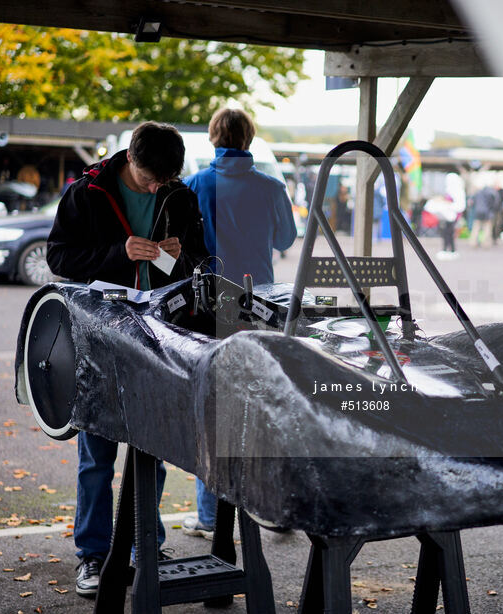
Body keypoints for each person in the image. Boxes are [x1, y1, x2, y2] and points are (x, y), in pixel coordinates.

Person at [46, 121, 208, 598]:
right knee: (96, 454)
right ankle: (93, 556)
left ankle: (144, 545)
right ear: (130, 160)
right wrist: (119, 252)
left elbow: (200, 260)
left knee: (152, 450)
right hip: (96, 337)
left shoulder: (178, 195)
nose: (157, 188)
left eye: (165, 181)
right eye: (149, 180)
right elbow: (59, 258)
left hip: (158, 336)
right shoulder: (87, 192)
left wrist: (182, 256)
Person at [182, 108, 295, 539]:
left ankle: (211, 516)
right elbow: (285, 239)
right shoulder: (271, 187)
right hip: (261, 305)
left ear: (213, 137)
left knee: (213, 409)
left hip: (212, 307)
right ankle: (277, 507)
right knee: (264, 404)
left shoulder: (196, 185)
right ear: (249, 138)